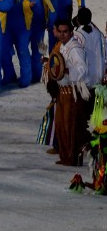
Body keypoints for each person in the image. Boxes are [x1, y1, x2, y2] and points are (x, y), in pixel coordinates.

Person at [50, 19, 91, 166]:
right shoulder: (62, 46)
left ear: (71, 32)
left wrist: (66, 70)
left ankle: (73, 158)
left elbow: (82, 70)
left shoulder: (75, 48)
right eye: (59, 31)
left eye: (65, 32)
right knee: (61, 126)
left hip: (72, 93)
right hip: (62, 92)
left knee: (71, 127)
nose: (62, 35)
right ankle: (66, 156)